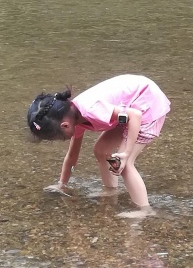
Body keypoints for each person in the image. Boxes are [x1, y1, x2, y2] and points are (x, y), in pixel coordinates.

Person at [26, 74, 170, 209]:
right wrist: (62, 184)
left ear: (65, 126)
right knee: (101, 151)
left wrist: (126, 153)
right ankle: (111, 190)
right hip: (128, 111)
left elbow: (135, 116)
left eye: (58, 137)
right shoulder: (74, 117)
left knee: (123, 164)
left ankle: (144, 210)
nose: (61, 140)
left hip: (147, 105)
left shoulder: (92, 110)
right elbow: (72, 158)